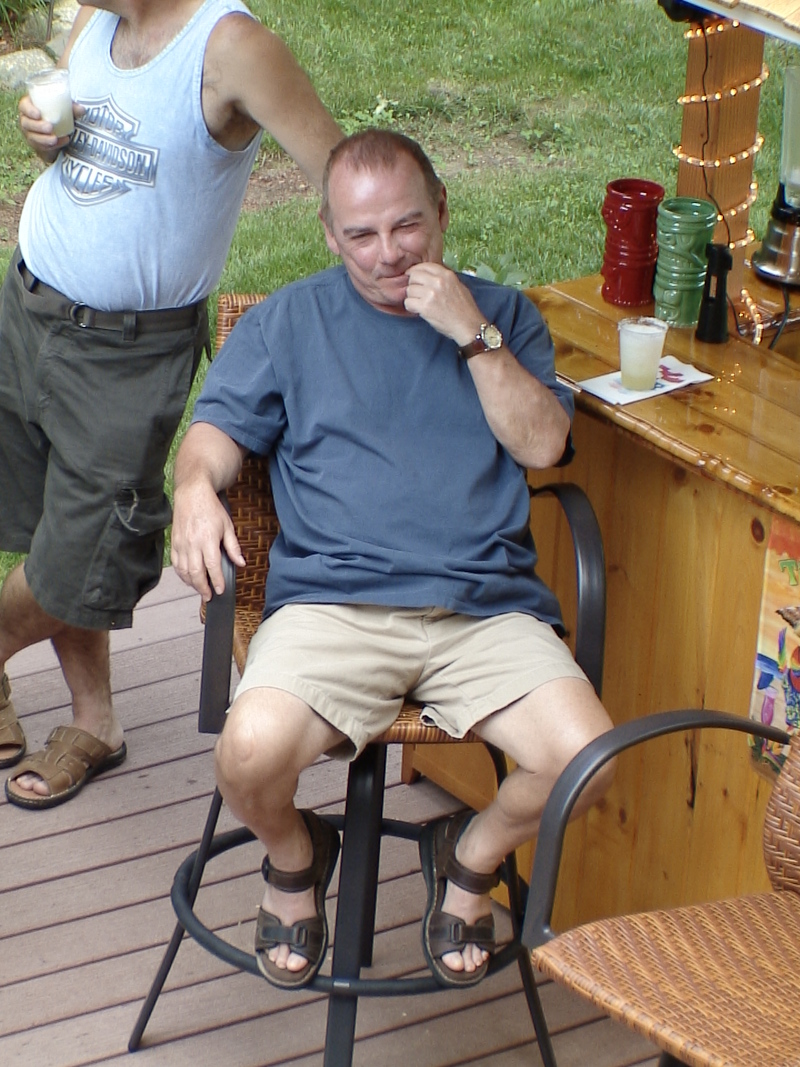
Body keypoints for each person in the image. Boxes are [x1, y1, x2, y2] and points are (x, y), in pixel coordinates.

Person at [170, 128, 615, 990]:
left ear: (442, 211)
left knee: (586, 761)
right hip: (333, 606)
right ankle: (296, 857)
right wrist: (193, 487)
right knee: (246, 756)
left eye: (407, 225)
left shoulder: (505, 315)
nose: (387, 254)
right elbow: (214, 436)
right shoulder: (289, 321)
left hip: (484, 609)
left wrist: (473, 335)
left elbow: (543, 444)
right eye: (361, 234)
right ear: (329, 234)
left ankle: (470, 856)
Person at [0, 0, 342, 810]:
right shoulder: (98, 18)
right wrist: (44, 139)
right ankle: (95, 719)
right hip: (28, 309)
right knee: (50, 528)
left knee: (84, 554)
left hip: (127, 353)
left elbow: (348, 174)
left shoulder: (232, 47)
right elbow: (77, 146)